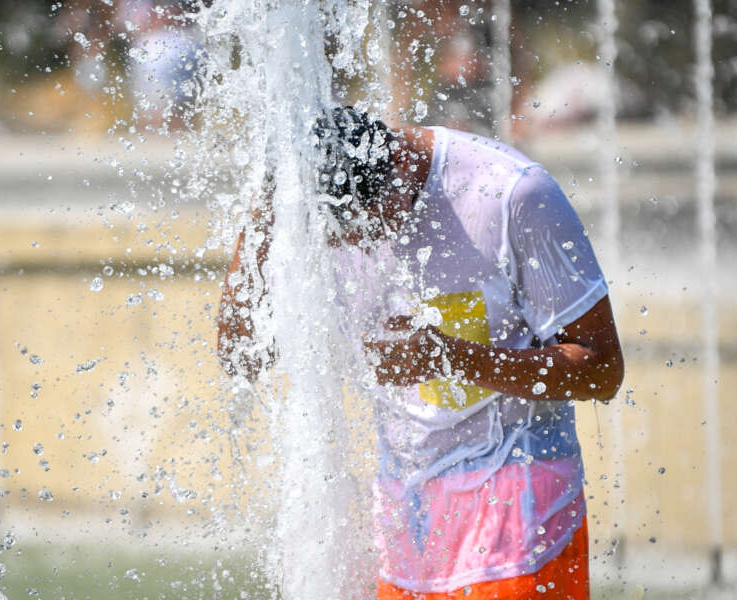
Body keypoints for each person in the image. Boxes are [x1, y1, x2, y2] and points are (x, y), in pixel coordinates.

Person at [217, 107, 624, 599]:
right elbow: (242, 357)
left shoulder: (513, 193)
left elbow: (602, 370)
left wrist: (451, 359)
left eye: (361, 232)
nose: (357, 249)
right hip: (408, 522)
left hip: (519, 510)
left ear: (393, 179)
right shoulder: (321, 205)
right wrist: (264, 214)